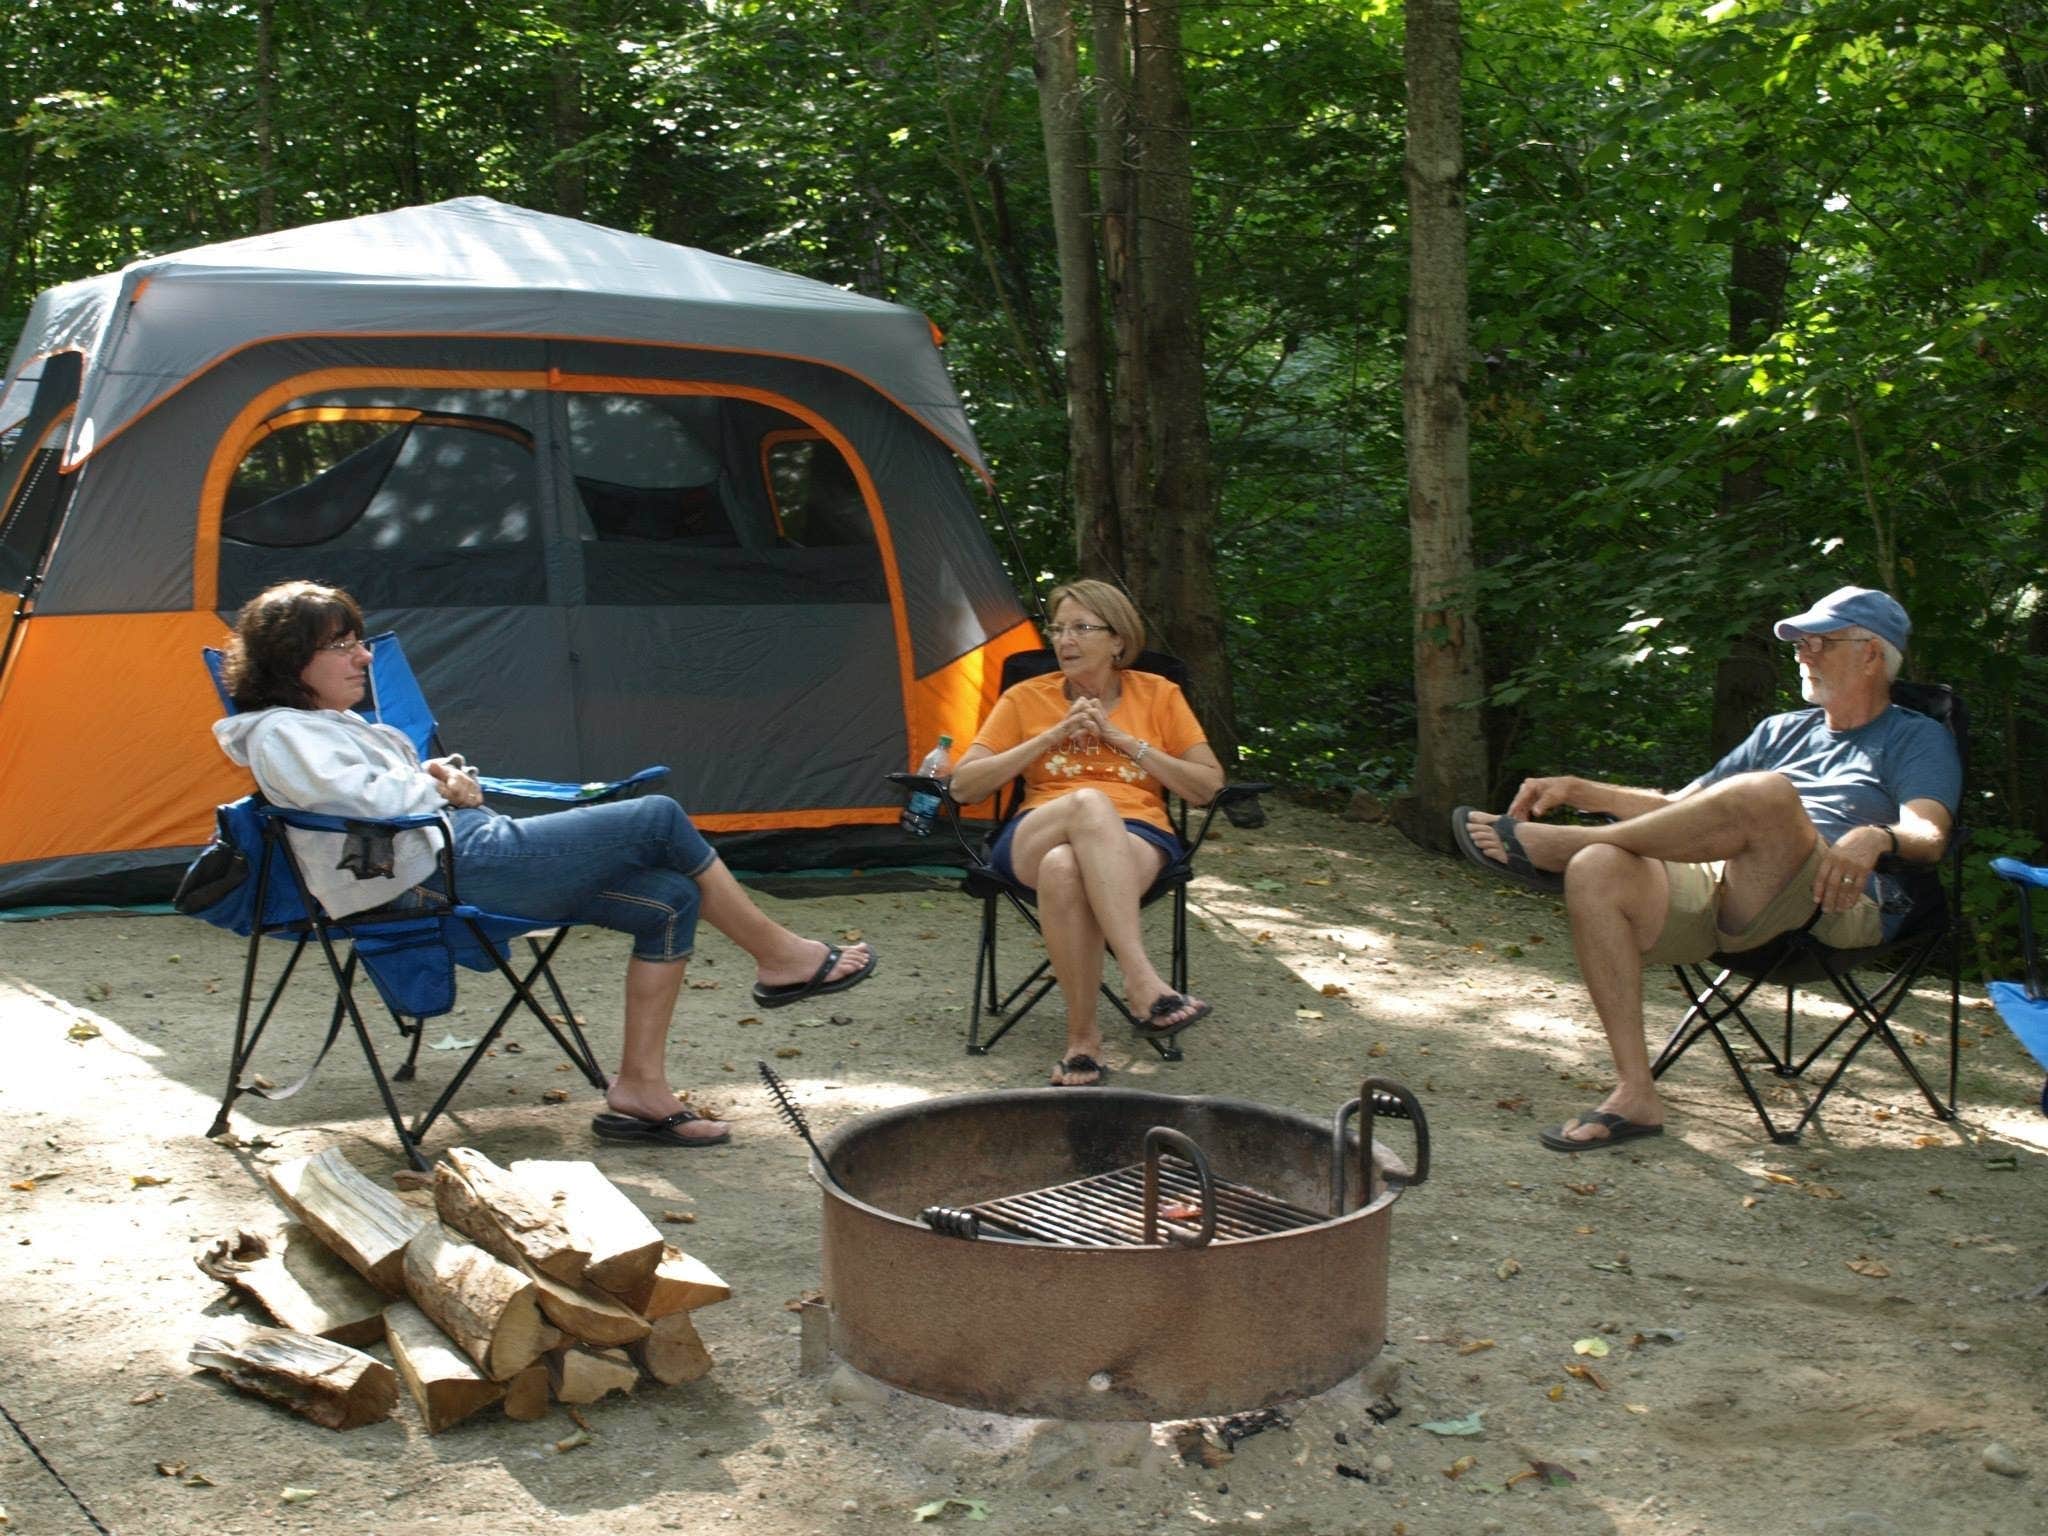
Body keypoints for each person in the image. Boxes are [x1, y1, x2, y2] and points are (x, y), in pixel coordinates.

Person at [211, 579, 877, 1148]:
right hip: (433, 879)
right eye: (343, 645)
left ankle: (640, 1087)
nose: (363, 656)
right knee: (658, 818)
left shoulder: (334, 724)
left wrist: (439, 776)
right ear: (292, 659)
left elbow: (375, 791)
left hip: (453, 857)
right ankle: (781, 957)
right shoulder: (279, 732)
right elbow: (364, 802)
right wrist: (439, 787)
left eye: (359, 641)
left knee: (669, 897)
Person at [1451, 586, 1960, 1151]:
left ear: (1871, 654)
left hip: (1835, 899)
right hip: (1732, 888)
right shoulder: (1780, 730)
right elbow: (1684, 811)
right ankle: (1635, 1095)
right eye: (1798, 643)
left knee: (1767, 793)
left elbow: (1928, 834)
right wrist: (1581, 788)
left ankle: (1559, 846)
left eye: (1819, 641)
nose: (1802, 653)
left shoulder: (1918, 737)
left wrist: (1875, 834)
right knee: (1599, 866)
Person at [947, 579, 1225, 1087]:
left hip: (1137, 836)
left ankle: (1082, 1042)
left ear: (1118, 640)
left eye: (1081, 628)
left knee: (1065, 870)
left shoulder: (1159, 695)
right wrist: (1052, 736)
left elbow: (1208, 786)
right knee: (1086, 806)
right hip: (1038, 829)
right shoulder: (1025, 697)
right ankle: (1142, 980)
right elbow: (964, 786)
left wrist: (1121, 740)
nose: (1064, 640)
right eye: (1058, 629)